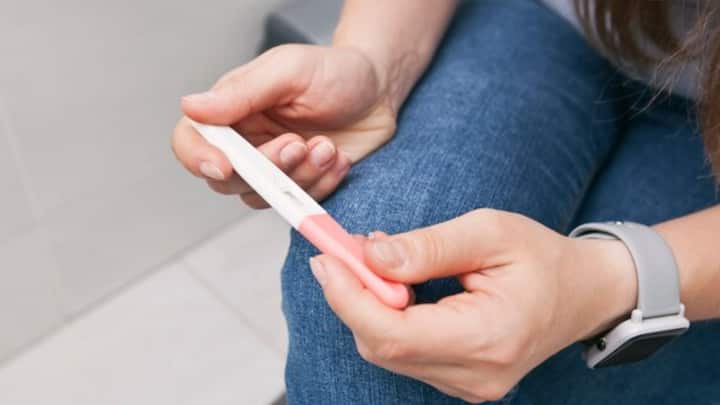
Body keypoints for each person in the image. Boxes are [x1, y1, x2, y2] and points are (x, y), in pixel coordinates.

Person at [171, 0, 720, 403]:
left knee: (551, 371)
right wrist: (375, 64)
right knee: (367, 297)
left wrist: (610, 278)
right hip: (554, 22)